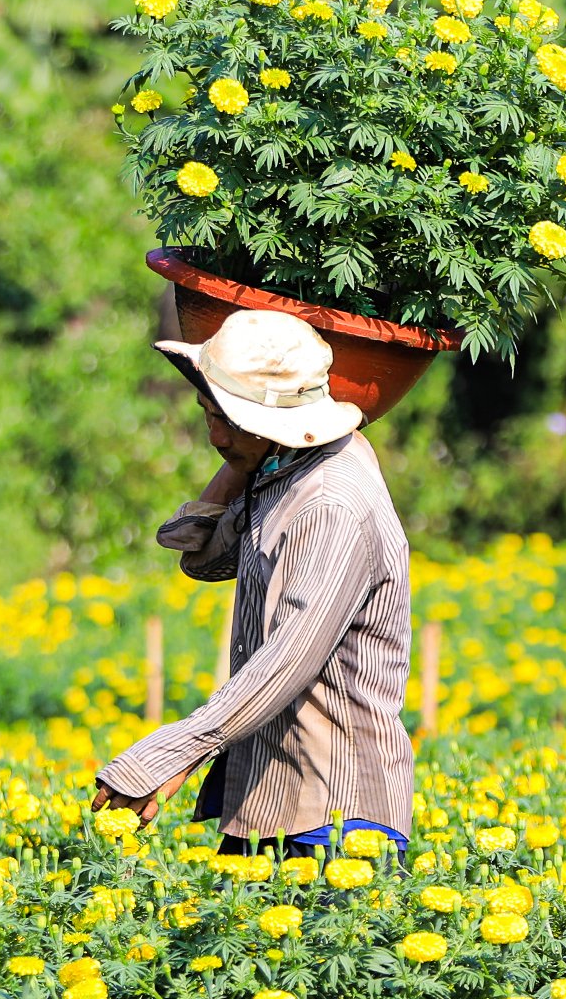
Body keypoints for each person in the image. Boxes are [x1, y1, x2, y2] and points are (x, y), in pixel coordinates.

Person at [91, 307, 414, 856]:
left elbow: (284, 664)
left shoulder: (330, 500)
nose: (214, 434)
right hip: (271, 791)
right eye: (207, 412)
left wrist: (169, 753)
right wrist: (241, 452)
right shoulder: (279, 467)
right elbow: (202, 558)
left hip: (334, 812)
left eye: (230, 421)